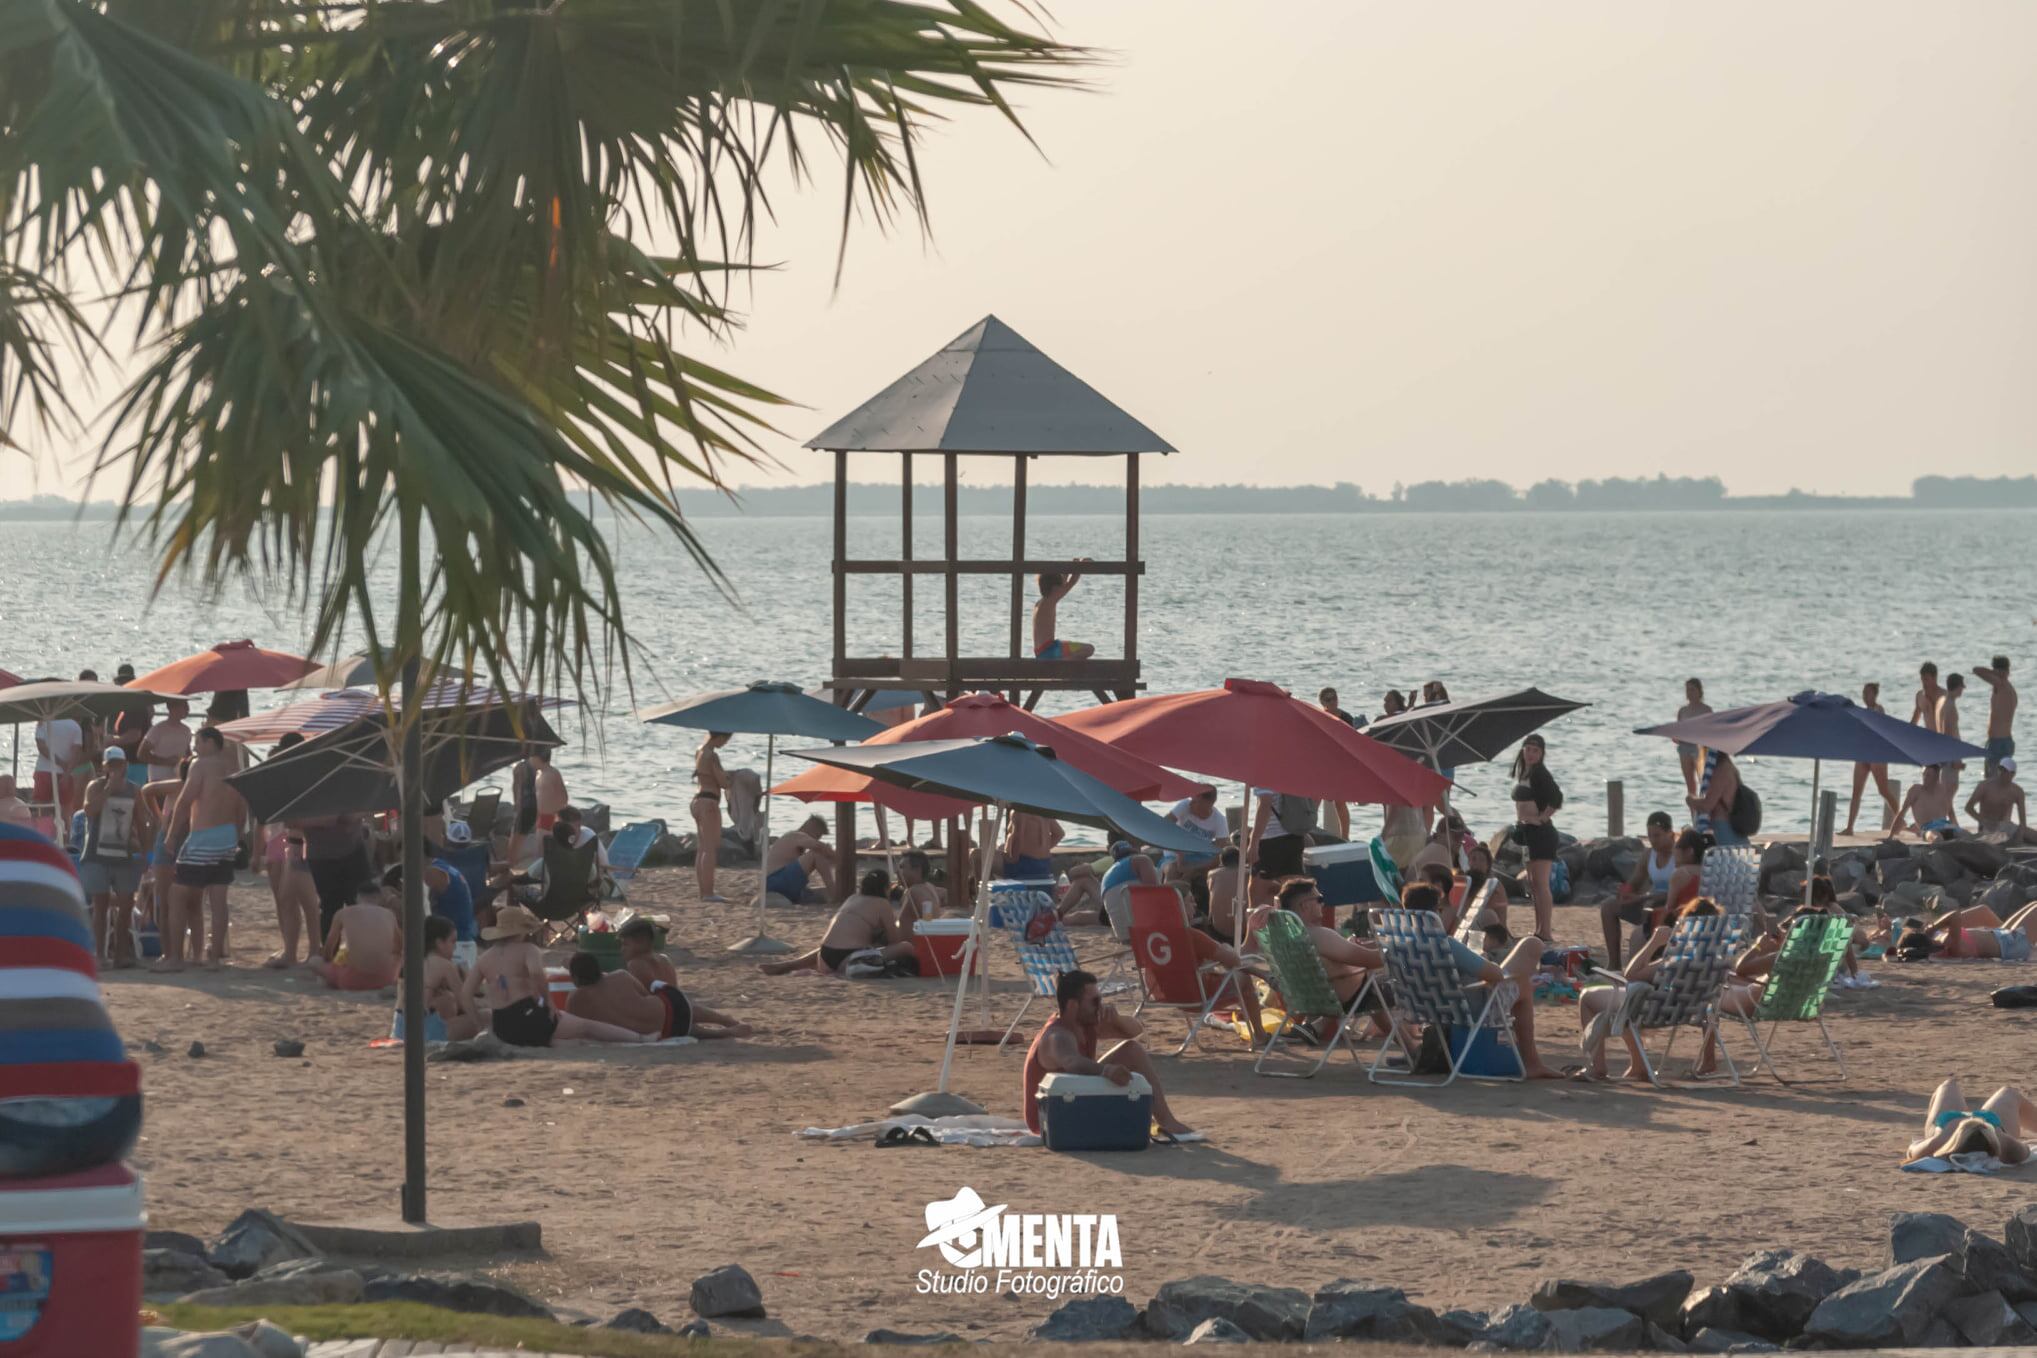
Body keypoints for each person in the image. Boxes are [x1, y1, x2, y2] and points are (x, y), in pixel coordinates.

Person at [1383, 881, 1562, 1078]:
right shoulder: (1445, 945)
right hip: (1469, 1011)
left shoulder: (1395, 946)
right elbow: (1495, 975)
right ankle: (1532, 1063)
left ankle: (1526, 1058)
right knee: (1528, 963)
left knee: (1520, 973)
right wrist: (1483, 959)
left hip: (1428, 1011)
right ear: (1436, 912)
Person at [1022, 969, 1199, 1140]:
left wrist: (1117, 1019)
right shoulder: (1057, 1036)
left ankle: (1166, 1122)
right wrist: (1107, 1070)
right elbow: (1072, 1063)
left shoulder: (1085, 1023)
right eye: (1095, 1001)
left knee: (1132, 1050)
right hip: (1049, 1118)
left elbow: (1136, 1030)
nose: (1100, 1006)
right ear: (1073, 1005)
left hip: (1072, 1100)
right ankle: (1161, 1121)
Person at [1575, 898, 1726, 1081]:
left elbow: (1630, 974)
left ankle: (1598, 1067)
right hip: (1686, 1011)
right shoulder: (1718, 960)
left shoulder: (1680, 958)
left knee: (1588, 997)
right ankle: (1704, 1061)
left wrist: (1654, 942)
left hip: (1654, 1010)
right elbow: (1712, 1007)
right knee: (1630, 998)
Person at [467, 904, 648, 1046]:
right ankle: (640, 1039)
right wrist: (549, 1002)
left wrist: (478, 1025)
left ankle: (561, 1042)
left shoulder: (484, 958)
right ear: (522, 931)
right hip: (527, 1015)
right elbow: (538, 976)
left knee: (559, 1040)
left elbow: (466, 994)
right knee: (586, 1027)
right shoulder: (528, 950)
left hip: (502, 1026)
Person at [161, 725, 246, 970]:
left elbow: (185, 801)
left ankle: (176, 958)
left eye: (197, 742)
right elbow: (242, 809)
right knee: (219, 899)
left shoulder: (201, 764)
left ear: (210, 742)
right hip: (228, 836)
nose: (195, 748)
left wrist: (171, 835)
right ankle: (214, 958)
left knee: (177, 895)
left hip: (203, 837)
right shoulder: (234, 767)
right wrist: (237, 837)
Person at [757, 869, 917, 975]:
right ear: (885, 888)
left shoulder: (852, 898)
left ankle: (790, 965)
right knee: (906, 947)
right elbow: (895, 942)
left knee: (842, 942)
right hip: (848, 960)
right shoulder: (882, 904)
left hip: (824, 957)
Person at [565, 950, 751, 1040]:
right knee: (680, 1007)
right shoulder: (620, 976)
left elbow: (577, 1027)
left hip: (666, 1032)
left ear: (574, 977)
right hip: (670, 1008)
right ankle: (726, 1020)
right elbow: (646, 993)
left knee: (690, 1030)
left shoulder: (574, 999)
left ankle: (723, 1033)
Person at [77, 748, 149, 968]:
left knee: (127, 904)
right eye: (112, 764)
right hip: (96, 855)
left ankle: (119, 955)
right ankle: (100, 955)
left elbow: (141, 822)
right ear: (105, 767)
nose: (117, 768)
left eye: (120, 764)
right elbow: (89, 811)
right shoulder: (95, 786)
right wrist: (108, 789)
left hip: (123, 855)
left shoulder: (134, 790)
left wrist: (145, 853)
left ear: (125, 765)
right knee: (101, 905)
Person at [1600, 811, 1677, 967]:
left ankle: (1642, 960)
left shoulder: (1679, 855)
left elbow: (1675, 892)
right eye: (1650, 836)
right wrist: (1625, 891)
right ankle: (1614, 964)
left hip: (1670, 906)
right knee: (1608, 906)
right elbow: (1635, 881)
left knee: (1649, 906)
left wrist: (1642, 897)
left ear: (1670, 834)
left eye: (1657, 836)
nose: (1653, 841)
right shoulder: (1649, 855)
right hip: (1650, 901)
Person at [1903, 1078, 2036, 1167]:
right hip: (1991, 1120)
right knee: (2008, 1092)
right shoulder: (2002, 1141)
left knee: (1949, 1084)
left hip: (1948, 1122)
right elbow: (2027, 1150)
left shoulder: (1941, 1141)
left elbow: (1912, 1151)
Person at [1510, 734, 1562, 938]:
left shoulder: (1540, 773)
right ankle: (1538, 928)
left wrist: (1542, 817)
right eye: (1528, 749)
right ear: (1522, 750)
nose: (1531, 754)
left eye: (1536, 751)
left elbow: (1557, 797)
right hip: (1528, 833)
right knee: (1533, 884)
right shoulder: (1524, 772)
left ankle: (1546, 931)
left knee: (1541, 883)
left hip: (1542, 833)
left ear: (1541, 754)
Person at [309, 879, 402, 990]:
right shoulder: (389, 914)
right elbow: (399, 947)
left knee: (314, 961)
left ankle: (332, 977)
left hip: (350, 980)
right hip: (386, 979)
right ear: (379, 898)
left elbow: (329, 946)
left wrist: (329, 961)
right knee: (400, 958)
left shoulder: (343, 913)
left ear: (357, 897)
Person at [301, 812, 372, 940]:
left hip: (354, 851)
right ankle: (330, 955)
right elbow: (290, 821)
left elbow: (372, 803)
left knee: (364, 904)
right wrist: (321, 820)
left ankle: (365, 951)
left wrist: (354, 815)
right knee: (330, 908)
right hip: (321, 857)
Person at [410, 916, 481, 1042]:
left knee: (446, 998)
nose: (455, 948)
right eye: (453, 942)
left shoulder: (412, 961)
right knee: (489, 1016)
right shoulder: (445, 966)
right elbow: (465, 1004)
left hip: (401, 1029)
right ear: (439, 943)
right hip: (427, 1032)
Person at [1844, 681, 1900, 836]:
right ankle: (1849, 827)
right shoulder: (1862, 711)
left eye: (1867, 693)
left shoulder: (1878, 710)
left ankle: (1900, 820)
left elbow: (1882, 730)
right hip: (1862, 754)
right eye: (1863, 693)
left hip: (1877, 755)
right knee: (1856, 792)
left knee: (1883, 790)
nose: (1864, 696)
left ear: (1874, 695)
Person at [691, 731, 732, 903]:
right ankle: (708, 893)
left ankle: (703, 891)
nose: (725, 743)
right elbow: (723, 782)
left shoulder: (699, 750)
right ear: (720, 736)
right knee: (710, 848)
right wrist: (731, 777)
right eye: (726, 739)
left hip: (697, 801)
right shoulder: (712, 755)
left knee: (702, 848)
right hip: (709, 802)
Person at [1162, 785, 1228, 885]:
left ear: (1209, 803)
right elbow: (1163, 826)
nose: (1191, 803)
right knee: (1173, 870)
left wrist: (1193, 869)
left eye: (1195, 801)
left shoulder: (1220, 821)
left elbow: (1217, 857)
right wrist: (1178, 848)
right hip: (1174, 854)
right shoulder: (1184, 805)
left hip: (1200, 856)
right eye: (1191, 799)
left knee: (1205, 876)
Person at [762, 814, 834, 903]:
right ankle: (834, 893)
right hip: (776, 880)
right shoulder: (796, 835)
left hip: (776, 883)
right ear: (812, 828)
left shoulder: (795, 842)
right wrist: (835, 856)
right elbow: (817, 846)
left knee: (819, 895)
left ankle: (832, 890)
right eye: (817, 835)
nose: (817, 838)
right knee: (816, 854)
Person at [32, 709, 84, 829]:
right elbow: (76, 754)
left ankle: (44, 840)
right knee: (65, 813)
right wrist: (66, 773)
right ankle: (66, 843)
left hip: (44, 770)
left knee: (43, 813)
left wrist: (58, 761)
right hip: (65, 772)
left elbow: (41, 747)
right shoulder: (75, 726)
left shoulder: (42, 722)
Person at [1247, 787, 1315, 879]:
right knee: (1293, 885)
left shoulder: (1264, 774)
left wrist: (1254, 843)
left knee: (1258, 888)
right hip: (1294, 833)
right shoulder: (1292, 772)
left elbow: (1265, 805)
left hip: (1271, 838)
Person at [1319, 690, 1361, 837]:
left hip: (1341, 762)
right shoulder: (1320, 716)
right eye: (1328, 700)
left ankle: (1345, 836)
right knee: (1316, 796)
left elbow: (1352, 741)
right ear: (1322, 703)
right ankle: (1310, 829)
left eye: (1334, 698)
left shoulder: (1346, 717)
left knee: (1340, 801)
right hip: (1324, 762)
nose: (1332, 702)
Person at [1032, 561, 1094, 661]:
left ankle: (1062, 663)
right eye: (1059, 587)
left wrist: (1072, 566)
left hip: (1040, 652)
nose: (1062, 588)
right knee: (1089, 649)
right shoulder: (1051, 600)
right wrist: (1080, 566)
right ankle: (1061, 664)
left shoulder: (1041, 602)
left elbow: (1063, 582)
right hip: (1050, 650)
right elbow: (1072, 582)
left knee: (1079, 652)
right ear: (1054, 588)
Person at [1688, 749, 1747, 846]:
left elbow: (1707, 805)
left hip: (1723, 828)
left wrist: (1690, 800)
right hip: (1731, 826)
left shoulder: (1721, 770)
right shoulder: (1730, 768)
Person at [1967, 758, 2031, 845]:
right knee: (1997, 839)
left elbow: (2022, 822)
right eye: (2000, 769)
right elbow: (1968, 807)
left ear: (2013, 774)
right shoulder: (1984, 786)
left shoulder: (2017, 791)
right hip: (1988, 827)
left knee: (2032, 835)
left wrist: (2020, 836)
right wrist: (1983, 821)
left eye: (2005, 771)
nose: (2002, 773)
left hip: (2007, 826)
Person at [1974, 656, 2017, 776]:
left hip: (1997, 744)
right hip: (2006, 742)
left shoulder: (2000, 684)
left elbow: (1976, 670)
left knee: (1991, 782)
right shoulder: (2010, 689)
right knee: (2001, 784)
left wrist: (1995, 673)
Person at [1893, 764, 1960, 839]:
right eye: (1923, 774)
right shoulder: (1916, 790)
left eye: (1928, 775)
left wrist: (1958, 829)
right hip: (1927, 829)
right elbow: (1902, 812)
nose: (1924, 778)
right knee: (1937, 837)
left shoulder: (1943, 790)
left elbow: (1951, 814)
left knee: (1966, 836)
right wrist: (1890, 836)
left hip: (1945, 825)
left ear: (1936, 777)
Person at [138, 698, 193, 785]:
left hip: (178, 778)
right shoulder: (158, 729)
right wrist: (166, 761)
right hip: (158, 778)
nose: (188, 709)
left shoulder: (186, 730)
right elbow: (141, 754)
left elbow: (187, 751)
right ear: (171, 707)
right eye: (184, 706)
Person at [1937, 673, 1969, 818]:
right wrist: (1955, 758)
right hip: (1950, 754)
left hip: (1946, 753)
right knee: (1949, 791)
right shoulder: (1949, 705)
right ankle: (1946, 822)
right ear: (1957, 687)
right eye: (1961, 687)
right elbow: (1948, 732)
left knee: (1947, 792)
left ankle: (1950, 822)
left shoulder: (1943, 701)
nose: (1962, 690)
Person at [1675, 679, 1712, 797]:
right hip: (1684, 748)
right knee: (1690, 785)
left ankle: (1705, 810)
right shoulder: (1683, 710)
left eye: (1692, 690)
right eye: (1687, 690)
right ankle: (1693, 814)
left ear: (1699, 692)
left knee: (1704, 782)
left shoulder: (1706, 710)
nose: (1689, 693)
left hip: (1700, 748)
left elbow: (1711, 732)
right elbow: (1678, 730)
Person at [999, 811, 1061, 881]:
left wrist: (1012, 860)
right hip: (1044, 862)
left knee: (989, 859)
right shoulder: (1043, 812)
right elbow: (1059, 833)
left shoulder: (1019, 811)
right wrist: (1043, 848)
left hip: (1024, 861)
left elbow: (1018, 837)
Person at [892, 850, 943, 922]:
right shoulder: (929, 886)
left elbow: (928, 921)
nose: (896, 871)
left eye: (901, 867)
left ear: (917, 870)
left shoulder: (916, 891)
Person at [1911, 661, 1944, 732]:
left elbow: (1951, 723)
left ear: (1934, 678)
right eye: (1922, 679)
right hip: (1929, 739)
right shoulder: (1920, 696)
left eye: (1926, 679)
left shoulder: (1944, 696)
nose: (1923, 683)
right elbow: (1914, 722)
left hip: (1945, 739)